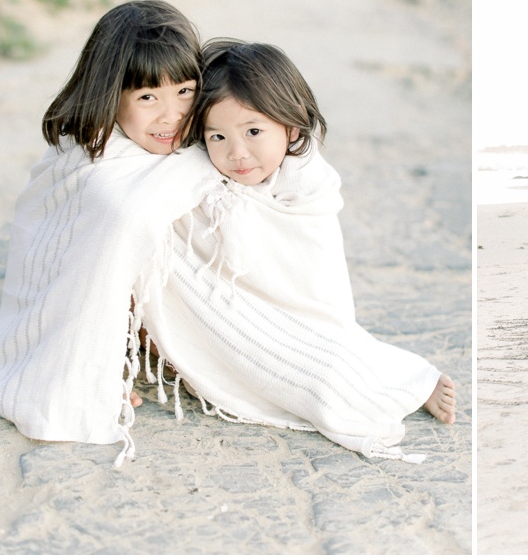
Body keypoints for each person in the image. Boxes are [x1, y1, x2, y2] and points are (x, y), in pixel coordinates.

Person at [137, 39, 456, 462]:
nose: (237, 153)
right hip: (233, 312)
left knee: (328, 368)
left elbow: (311, 279)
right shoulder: (200, 178)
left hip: (303, 318)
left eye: (253, 132)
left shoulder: (307, 183)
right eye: (218, 136)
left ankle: (416, 381)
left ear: (290, 128)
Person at [0, 0, 220, 467]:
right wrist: (95, 368)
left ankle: (171, 339)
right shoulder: (88, 160)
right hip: (107, 300)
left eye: (185, 91)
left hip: (148, 300)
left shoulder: (194, 140)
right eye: (148, 97)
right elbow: (73, 262)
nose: (171, 116)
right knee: (128, 218)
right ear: (111, 93)